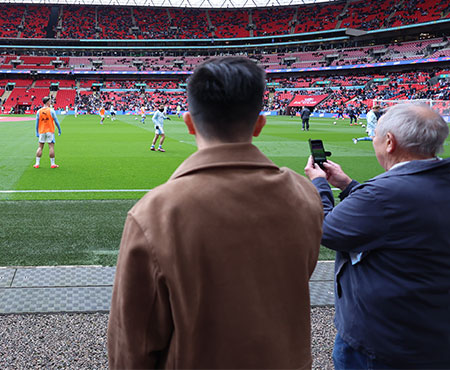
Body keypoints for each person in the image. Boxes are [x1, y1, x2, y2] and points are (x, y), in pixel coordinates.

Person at [108, 56, 323, 369]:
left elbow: (132, 343)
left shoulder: (154, 213)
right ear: (259, 124)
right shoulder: (305, 195)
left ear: (189, 123)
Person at [304, 103, 450, 370]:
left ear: (390, 142)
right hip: (434, 329)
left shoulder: (382, 195)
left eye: (376, 136)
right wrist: (349, 186)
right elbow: (397, 214)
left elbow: (326, 230)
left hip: (384, 343)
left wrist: (320, 185)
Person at [34, 96, 62, 169]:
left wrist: (37, 132)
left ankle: (37, 163)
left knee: (40, 147)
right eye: (50, 101)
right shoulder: (51, 111)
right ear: (48, 102)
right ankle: (52, 164)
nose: (51, 102)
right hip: (50, 131)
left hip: (42, 131)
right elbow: (56, 121)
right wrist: (59, 129)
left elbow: (37, 123)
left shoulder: (39, 111)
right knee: (51, 147)